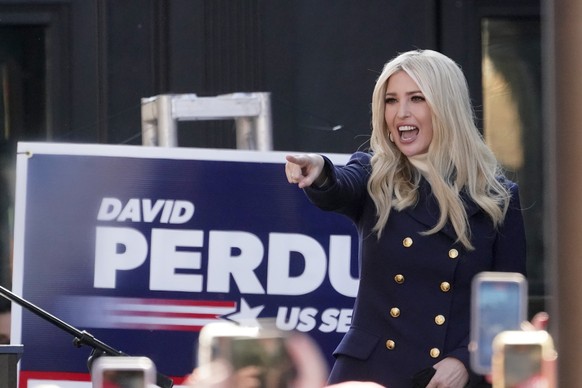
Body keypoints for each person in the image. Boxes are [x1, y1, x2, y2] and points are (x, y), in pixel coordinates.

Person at [285, 49, 527, 388]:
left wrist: (464, 360)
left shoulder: (498, 197)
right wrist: (321, 170)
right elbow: (339, 185)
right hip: (371, 372)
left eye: (416, 99)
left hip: (447, 379)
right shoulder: (374, 174)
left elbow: (504, 310)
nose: (400, 113)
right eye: (390, 100)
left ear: (446, 106)